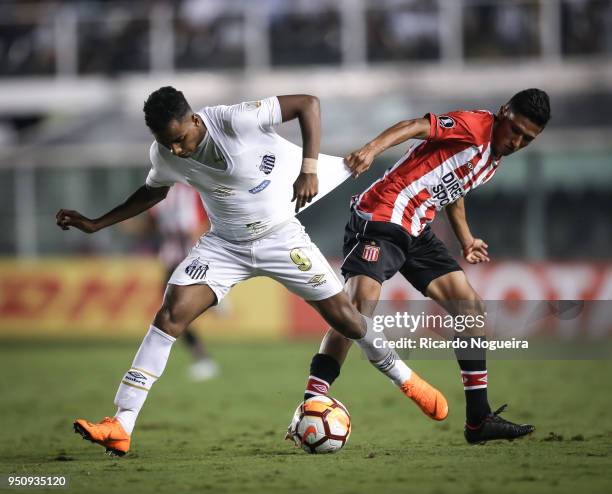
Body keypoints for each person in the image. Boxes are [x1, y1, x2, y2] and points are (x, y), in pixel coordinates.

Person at [56, 87, 447, 456]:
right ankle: (122, 423)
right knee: (169, 315)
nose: (175, 148)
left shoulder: (231, 121)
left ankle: (406, 380)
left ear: (193, 121)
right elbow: (153, 191)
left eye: (179, 138)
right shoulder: (165, 153)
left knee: (348, 319)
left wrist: (309, 167)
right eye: (165, 142)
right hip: (224, 246)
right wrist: (97, 223)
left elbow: (307, 104)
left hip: (282, 239)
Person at [298, 88, 551, 444]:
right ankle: (313, 399)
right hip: (383, 215)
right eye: (516, 130)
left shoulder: (492, 157)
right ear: (504, 112)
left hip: (416, 227)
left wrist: (465, 239)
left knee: (469, 307)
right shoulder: (476, 125)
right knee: (356, 311)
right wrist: (371, 150)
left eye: (528, 138)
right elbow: (415, 126)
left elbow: (454, 187)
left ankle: (479, 419)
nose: (518, 142)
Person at [148, 183, 219, 381]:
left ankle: (203, 358)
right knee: (173, 313)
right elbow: (153, 221)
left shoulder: (191, 191)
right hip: (172, 259)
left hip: (188, 258)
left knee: (173, 312)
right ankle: (213, 300)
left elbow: (202, 223)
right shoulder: (164, 191)